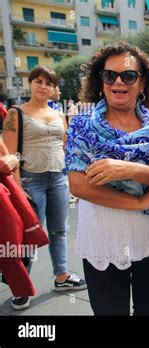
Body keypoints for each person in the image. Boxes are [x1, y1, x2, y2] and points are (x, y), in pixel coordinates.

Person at [65, 41, 149, 316]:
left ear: (142, 83)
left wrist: (126, 169)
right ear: (100, 81)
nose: (118, 82)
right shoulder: (82, 126)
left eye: (128, 76)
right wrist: (140, 201)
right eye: (109, 75)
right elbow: (79, 185)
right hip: (104, 239)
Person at [2, 67, 86, 310]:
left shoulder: (59, 116)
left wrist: (73, 179)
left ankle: (62, 277)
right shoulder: (16, 114)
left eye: (48, 83)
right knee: (28, 235)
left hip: (58, 179)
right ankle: (20, 288)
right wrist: (18, 188)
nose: (42, 86)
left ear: (53, 88)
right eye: (38, 81)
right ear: (30, 84)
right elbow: (10, 155)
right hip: (30, 180)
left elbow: (66, 147)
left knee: (60, 230)